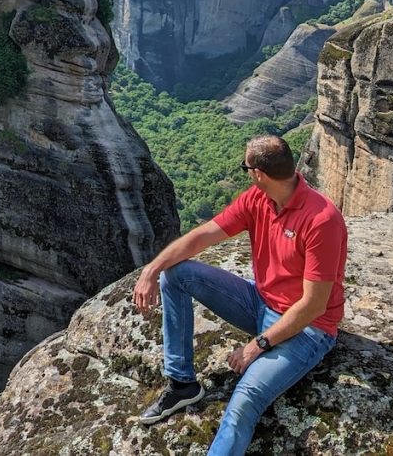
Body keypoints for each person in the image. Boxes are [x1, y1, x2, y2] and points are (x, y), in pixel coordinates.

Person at [132, 134, 347, 455]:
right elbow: (203, 236)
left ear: (259, 173)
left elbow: (314, 305)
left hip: (308, 330)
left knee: (242, 404)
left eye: (246, 167)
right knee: (176, 273)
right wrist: (152, 268)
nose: (246, 173)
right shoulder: (256, 200)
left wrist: (257, 345)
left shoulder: (321, 220)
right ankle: (182, 384)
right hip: (260, 303)